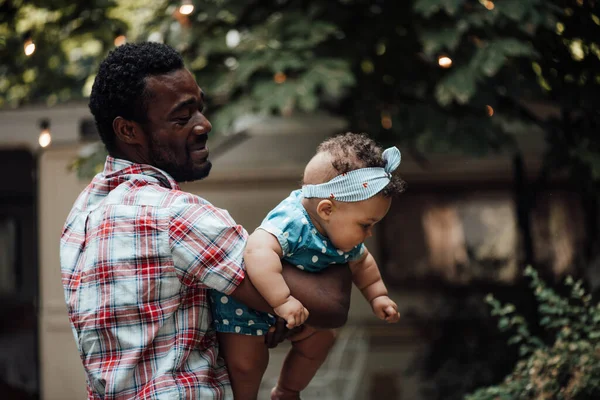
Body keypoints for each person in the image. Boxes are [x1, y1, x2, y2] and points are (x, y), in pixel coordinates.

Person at [59, 42, 352, 400]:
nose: (204, 125)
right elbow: (329, 303)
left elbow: (156, 320)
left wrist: (261, 315)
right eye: (182, 118)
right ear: (128, 131)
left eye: (200, 108)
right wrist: (340, 220)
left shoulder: (81, 216)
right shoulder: (176, 216)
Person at [212, 132, 404, 399]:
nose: (368, 234)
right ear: (327, 209)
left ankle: (287, 391)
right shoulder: (292, 221)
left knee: (322, 340)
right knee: (248, 365)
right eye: (366, 225)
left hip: (298, 311)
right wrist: (282, 301)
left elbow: (363, 264)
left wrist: (378, 296)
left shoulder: (340, 231)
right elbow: (257, 251)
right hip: (251, 308)